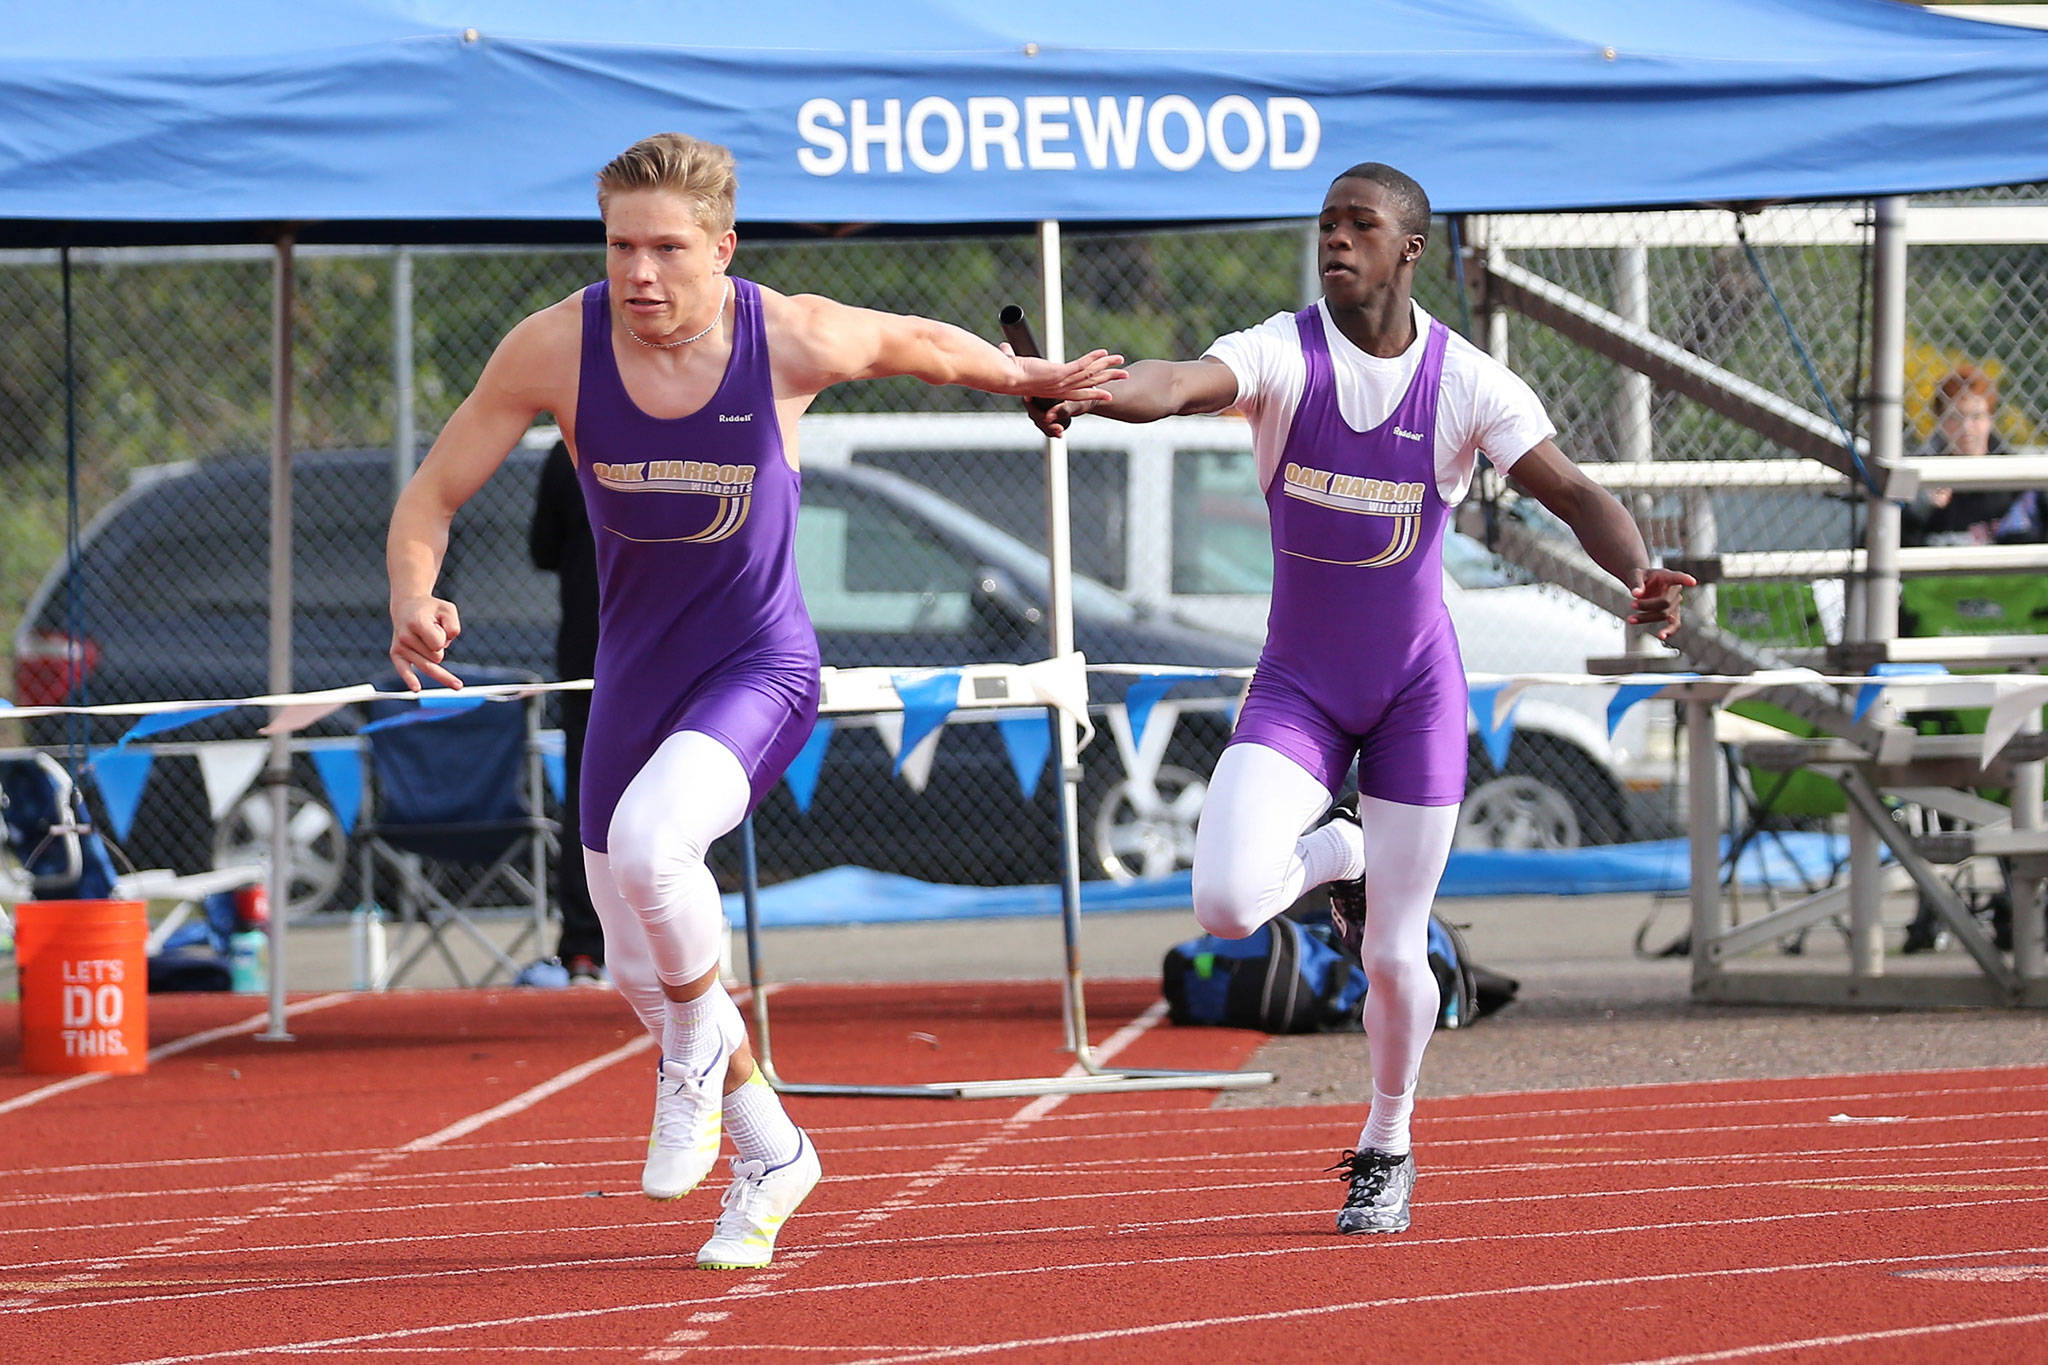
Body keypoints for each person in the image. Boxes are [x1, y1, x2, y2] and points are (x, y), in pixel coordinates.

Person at [387, 131, 1122, 1269]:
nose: (639, 273)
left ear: (720, 250)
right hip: (633, 676)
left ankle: (685, 1073)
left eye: (667, 250)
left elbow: (916, 343)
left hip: (758, 665)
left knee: (652, 846)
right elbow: (432, 493)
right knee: (636, 964)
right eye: (621, 246)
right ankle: (772, 1149)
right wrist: (415, 597)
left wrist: (1026, 375)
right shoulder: (553, 348)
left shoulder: (782, 334)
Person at [1027, 162, 1689, 1235]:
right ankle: (1337, 853)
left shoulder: (1466, 382)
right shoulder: (1279, 352)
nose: (1334, 239)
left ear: (1407, 248)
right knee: (1227, 904)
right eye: (1325, 224)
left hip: (1413, 696)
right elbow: (1175, 382)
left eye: (1358, 225)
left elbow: (1569, 491)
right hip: (1298, 685)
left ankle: (1386, 1143)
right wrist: (1088, 390)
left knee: (1393, 952)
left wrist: (1637, 573)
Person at [529, 437, 607, 987]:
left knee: (590, 794)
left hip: (593, 652)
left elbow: (543, 549)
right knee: (674, 787)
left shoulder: (570, 450)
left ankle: (585, 947)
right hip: (660, 651)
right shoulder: (687, 426)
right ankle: (674, 943)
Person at [1901, 363, 2012, 549]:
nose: (1966, 428)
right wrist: (1921, 510)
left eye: (1976, 417)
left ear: (1991, 419)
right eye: (1955, 417)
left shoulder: (2013, 473)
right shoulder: (1924, 470)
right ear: (1940, 420)